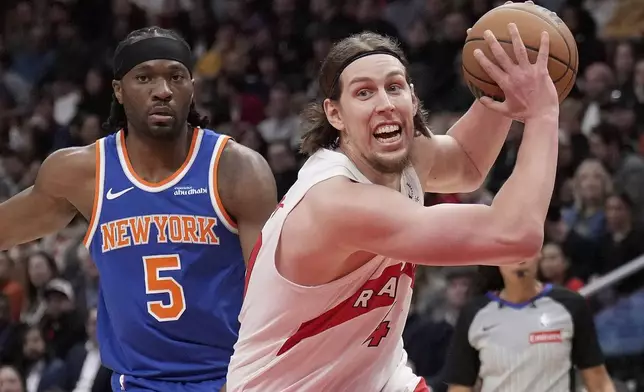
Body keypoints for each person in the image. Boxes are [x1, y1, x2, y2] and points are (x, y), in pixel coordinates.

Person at [227, 5, 561, 391]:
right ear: (335, 114)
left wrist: (500, 84)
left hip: (379, 379)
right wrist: (543, 116)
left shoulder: (401, 157)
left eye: (394, 86)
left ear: (413, 98)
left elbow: (467, 162)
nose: (385, 102)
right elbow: (515, 235)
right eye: (364, 92)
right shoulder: (336, 203)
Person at [0, 27, 277, 392]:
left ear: (191, 87)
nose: (162, 91)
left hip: (229, 379)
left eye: (175, 77)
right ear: (118, 89)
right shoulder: (84, 173)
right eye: (144, 77)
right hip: (137, 384)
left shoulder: (237, 169)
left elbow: (275, 299)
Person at [441, 260, 615, 392]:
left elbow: (597, 380)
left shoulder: (571, 305)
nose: (519, 259)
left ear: (538, 251)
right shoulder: (474, 313)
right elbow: (460, 386)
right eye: (511, 250)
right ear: (497, 259)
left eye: (525, 248)